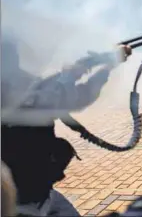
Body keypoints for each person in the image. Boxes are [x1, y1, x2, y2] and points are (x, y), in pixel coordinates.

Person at [1, 33, 133, 217]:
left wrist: (70, 75)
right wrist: (108, 66)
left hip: (28, 192)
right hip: (24, 200)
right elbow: (75, 96)